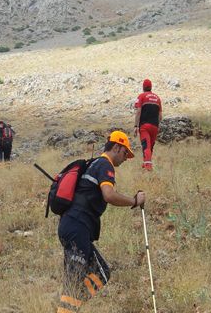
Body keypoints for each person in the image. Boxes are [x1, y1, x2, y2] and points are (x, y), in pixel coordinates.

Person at [56, 131, 146, 312]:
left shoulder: (93, 163)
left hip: (71, 226)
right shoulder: (105, 164)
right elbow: (109, 195)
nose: (126, 158)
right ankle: (68, 307)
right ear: (116, 147)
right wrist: (134, 201)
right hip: (77, 226)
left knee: (97, 273)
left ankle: (70, 306)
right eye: (125, 153)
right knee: (85, 278)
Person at [134, 79, 162, 171]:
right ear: (151, 87)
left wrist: (136, 126)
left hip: (144, 126)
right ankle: (146, 164)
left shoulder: (141, 96)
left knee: (146, 146)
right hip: (155, 126)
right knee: (150, 148)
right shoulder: (157, 98)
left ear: (143, 87)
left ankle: (148, 168)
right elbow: (160, 116)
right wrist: (157, 126)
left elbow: (138, 111)